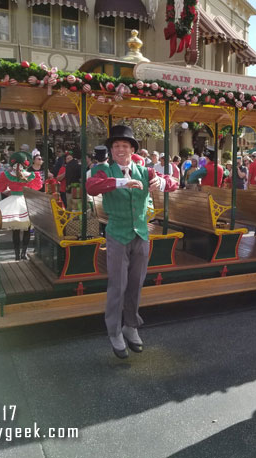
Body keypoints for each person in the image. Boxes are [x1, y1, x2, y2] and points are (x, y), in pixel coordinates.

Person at [86, 125, 179, 359]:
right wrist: (119, 183)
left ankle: (130, 325)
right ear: (111, 150)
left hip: (141, 234)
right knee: (118, 285)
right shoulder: (103, 170)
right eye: (116, 146)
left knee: (136, 283)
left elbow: (174, 183)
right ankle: (114, 330)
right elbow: (91, 187)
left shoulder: (144, 171)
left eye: (124, 146)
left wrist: (163, 183)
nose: (120, 149)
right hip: (117, 233)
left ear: (132, 149)